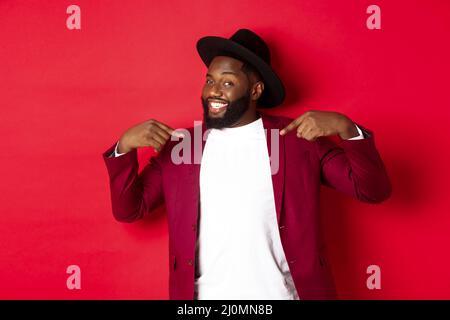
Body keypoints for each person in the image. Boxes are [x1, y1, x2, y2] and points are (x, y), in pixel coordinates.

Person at [102, 28, 391, 300]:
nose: (213, 91)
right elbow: (130, 209)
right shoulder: (183, 146)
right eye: (209, 80)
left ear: (255, 91)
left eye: (227, 82)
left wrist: (346, 128)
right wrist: (123, 147)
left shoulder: (297, 138)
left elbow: (372, 190)